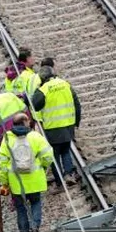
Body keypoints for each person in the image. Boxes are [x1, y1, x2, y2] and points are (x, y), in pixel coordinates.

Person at [0, 113, 54, 232]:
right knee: (36, 203)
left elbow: (2, 164)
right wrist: (43, 167)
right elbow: (48, 156)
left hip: (16, 183)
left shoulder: (7, 138)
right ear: (25, 122)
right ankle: (35, 228)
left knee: (21, 208)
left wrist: (4, 182)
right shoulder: (35, 136)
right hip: (35, 181)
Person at [31, 60, 81, 192]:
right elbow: (77, 104)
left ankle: (60, 183)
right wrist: (77, 122)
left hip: (52, 128)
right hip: (68, 125)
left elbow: (34, 105)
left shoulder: (43, 89)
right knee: (66, 150)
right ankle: (69, 174)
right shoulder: (65, 84)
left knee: (54, 156)